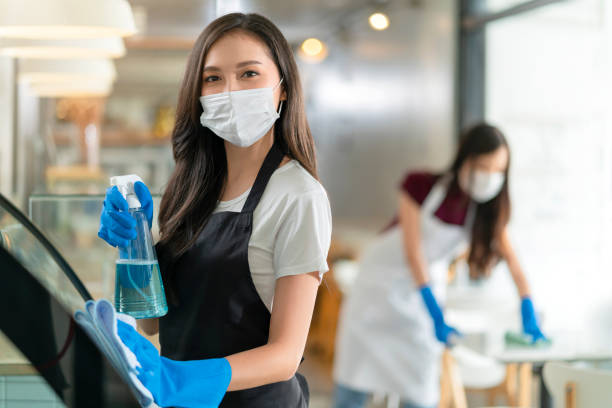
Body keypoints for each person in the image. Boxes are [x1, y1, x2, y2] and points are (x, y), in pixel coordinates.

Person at [98, 13, 332, 408]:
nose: (230, 91)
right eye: (213, 78)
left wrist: (179, 378)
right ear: (199, 94)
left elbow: (286, 356)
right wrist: (135, 247)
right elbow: (151, 323)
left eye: (248, 74)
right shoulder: (189, 189)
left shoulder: (297, 196)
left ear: (283, 88)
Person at [332, 123, 546, 408]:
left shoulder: (484, 213)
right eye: (483, 167)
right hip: (378, 293)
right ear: (464, 157)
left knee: (421, 390)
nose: (490, 178)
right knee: (354, 380)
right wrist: (434, 310)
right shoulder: (420, 186)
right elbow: (414, 253)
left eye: (498, 171)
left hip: (419, 303)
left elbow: (514, 264)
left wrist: (527, 305)